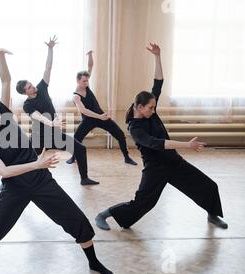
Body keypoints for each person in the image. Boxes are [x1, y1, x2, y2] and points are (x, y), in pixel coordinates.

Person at [0, 49, 113, 274]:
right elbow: (4, 171)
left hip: (41, 182)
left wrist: (1, 58)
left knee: (75, 219)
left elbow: (6, 81)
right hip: (15, 188)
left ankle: (93, 262)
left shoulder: (6, 117)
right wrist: (37, 164)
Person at [95, 43, 228, 231]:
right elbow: (156, 143)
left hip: (174, 163)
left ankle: (213, 215)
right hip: (155, 170)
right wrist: (186, 145)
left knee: (207, 186)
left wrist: (157, 56)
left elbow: (158, 82)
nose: (153, 110)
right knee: (142, 204)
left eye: (154, 106)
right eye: (150, 107)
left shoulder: (150, 111)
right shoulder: (135, 128)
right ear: (139, 108)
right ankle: (103, 215)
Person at [17, 36, 99, 186]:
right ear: (24, 93)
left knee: (80, 149)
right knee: (26, 160)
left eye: (31, 84)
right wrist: (52, 122)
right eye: (29, 87)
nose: (33, 86)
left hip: (54, 134)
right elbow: (39, 117)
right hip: (39, 137)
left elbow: (48, 68)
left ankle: (84, 178)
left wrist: (50, 49)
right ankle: (10, 181)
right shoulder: (27, 105)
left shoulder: (41, 88)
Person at [66, 51, 137, 166]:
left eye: (87, 80)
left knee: (120, 135)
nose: (86, 82)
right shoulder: (76, 96)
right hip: (89, 119)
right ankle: (73, 157)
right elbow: (84, 111)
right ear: (78, 81)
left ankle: (127, 157)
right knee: (76, 139)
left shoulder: (86, 86)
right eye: (84, 81)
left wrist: (90, 55)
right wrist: (99, 116)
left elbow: (90, 66)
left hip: (101, 117)